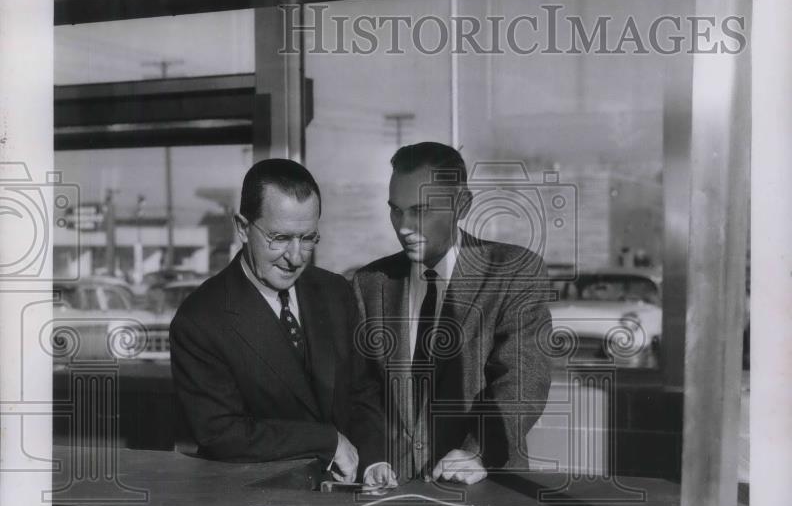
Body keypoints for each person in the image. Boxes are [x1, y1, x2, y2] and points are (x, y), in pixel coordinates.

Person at [170, 159, 395, 488]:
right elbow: (224, 434)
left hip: (344, 498)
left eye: (308, 238)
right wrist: (327, 441)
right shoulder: (199, 321)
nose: (296, 256)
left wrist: (374, 459)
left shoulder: (335, 292)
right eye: (280, 237)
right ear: (243, 228)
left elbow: (363, 392)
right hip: (257, 505)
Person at [352, 142, 552, 485]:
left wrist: (477, 451)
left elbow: (522, 381)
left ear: (462, 205)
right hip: (392, 492)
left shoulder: (513, 272)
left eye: (421, 210)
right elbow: (361, 388)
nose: (403, 226)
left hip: (483, 488)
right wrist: (371, 458)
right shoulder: (370, 283)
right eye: (396, 210)